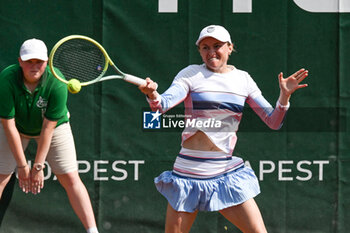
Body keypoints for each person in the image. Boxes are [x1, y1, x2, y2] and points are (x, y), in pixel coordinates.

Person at [139, 25, 308, 233]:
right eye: (205, 47)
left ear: (229, 48)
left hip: (224, 174)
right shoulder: (190, 74)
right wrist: (152, 95)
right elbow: (162, 106)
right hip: (187, 174)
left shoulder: (243, 79)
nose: (211, 52)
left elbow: (273, 121)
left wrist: (284, 96)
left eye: (217, 46)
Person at [0, 38, 99, 233]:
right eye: (29, 61)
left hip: (54, 128)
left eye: (39, 61)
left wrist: (37, 166)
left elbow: (48, 128)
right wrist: (21, 165)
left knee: (70, 177)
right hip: (17, 128)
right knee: (0, 176)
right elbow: (8, 124)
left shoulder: (57, 81)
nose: (34, 66)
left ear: (47, 62)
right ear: (20, 61)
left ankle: (93, 231)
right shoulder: (6, 79)